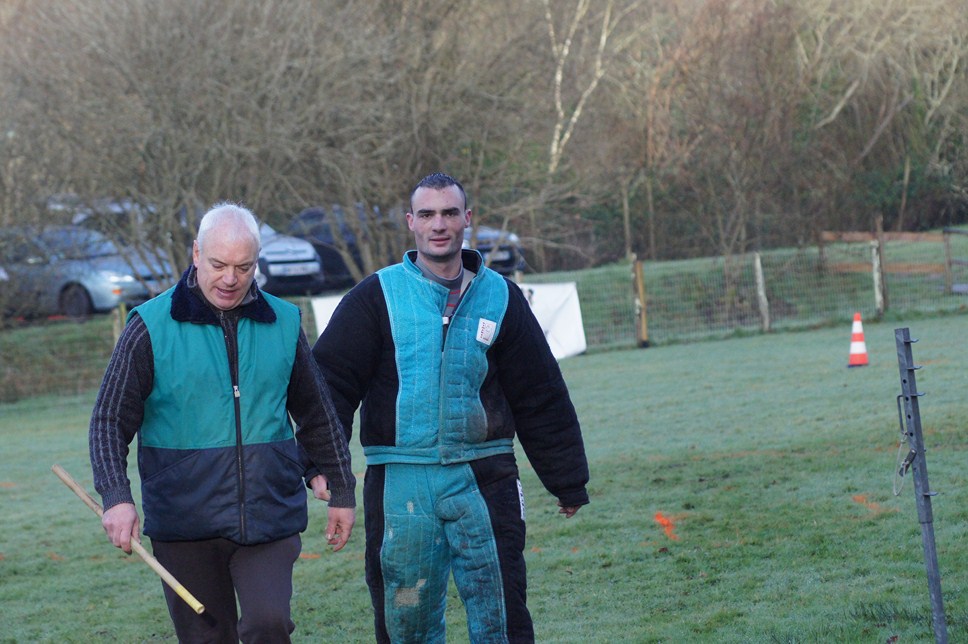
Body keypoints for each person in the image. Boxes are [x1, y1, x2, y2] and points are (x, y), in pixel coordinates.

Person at [312, 172, 590, 643]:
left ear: (467, 219)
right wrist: (322, 466)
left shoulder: (501, 297)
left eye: (448, 213)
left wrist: (567, 480)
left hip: (486, 478)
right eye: (426, 215)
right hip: (400, 481)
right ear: (410, 223)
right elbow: (328, 387)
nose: (438, 224)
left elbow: (540, 393)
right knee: (406, 623)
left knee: (502, 616)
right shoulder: (375, 297)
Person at [89, 203, 356, 643]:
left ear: (257, 264)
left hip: (269, 515)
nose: (230, 279)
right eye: (218, 264)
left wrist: (341, 486)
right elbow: (108, 420)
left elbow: (318, 413)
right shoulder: (149, 326)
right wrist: (116, 496)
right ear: (196, 253)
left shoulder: (284, 322)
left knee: (268, 625)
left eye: (243, 267)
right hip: (183, 522)